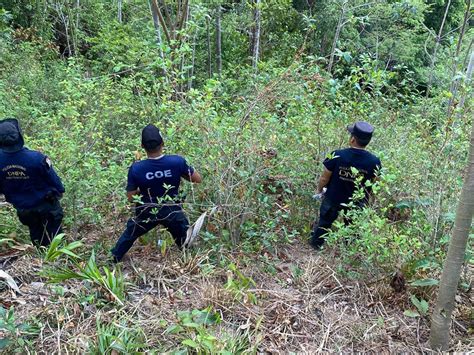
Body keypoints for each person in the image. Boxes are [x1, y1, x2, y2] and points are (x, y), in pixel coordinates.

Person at [111, 124, 202, 262]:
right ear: (163, 143)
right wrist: (178, 174)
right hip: (172, 210)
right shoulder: (177, 161)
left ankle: (113, 259)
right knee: (186, 243)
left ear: (142, 145)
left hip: (146, 210)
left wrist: (143, 187)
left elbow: (131, 198)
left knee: (130, 234)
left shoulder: (136, 168)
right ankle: (192, 263)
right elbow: (197, 179)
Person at [310, 121, 381, 249]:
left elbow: (324, 178)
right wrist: (369, 200)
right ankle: (348, 252)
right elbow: (374, 183)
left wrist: (319, 190)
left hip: (333, 198)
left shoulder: (337, 155)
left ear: (353, 139)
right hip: (357, 201)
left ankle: (316, 247)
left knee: (324, 223)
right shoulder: (374, 161)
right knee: (352, 229)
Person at [0, 118, 65, 246]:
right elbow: (56, 182)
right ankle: (57, 262)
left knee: (37, 237)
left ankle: (42, 260)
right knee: (56, 239)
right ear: (18, 136)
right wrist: (59, 192)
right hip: (47, 206)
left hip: (24, 209)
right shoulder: (37, 158)